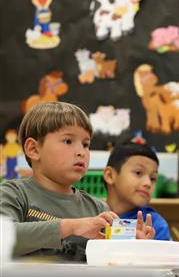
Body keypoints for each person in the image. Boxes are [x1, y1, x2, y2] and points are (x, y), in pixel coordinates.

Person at [0, 101, 154, 260]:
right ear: (34, 149)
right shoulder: (14, 193)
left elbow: (112, 260)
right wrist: (71, 227)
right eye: (68, 141)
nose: (82, 152)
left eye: (86, 144)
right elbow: (4, 236)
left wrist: (133, 246)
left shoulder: (98, 208)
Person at [103, 142, 171, 240]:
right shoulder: (90, 216)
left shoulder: (155, 226)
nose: (148, 183)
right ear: (110, 175)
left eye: (153, 178)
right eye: (138, 172)